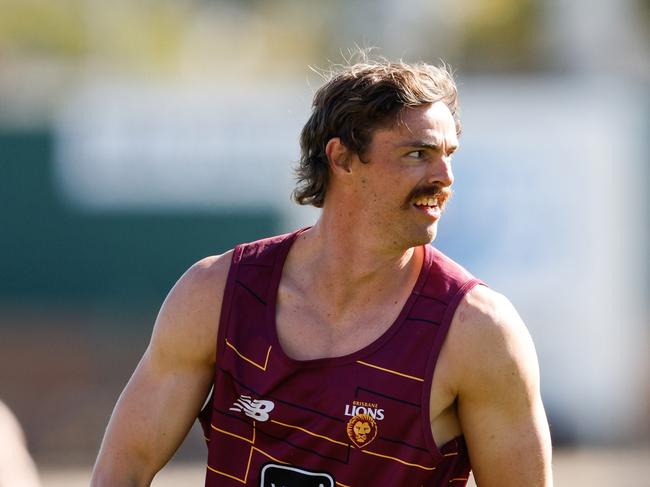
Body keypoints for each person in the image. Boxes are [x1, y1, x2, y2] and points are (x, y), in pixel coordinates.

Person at [91, 57, 552, 486]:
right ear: (342, 157)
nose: (445, 175)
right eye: (418, 154)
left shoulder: (479, 330)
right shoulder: (217, 293)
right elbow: (123, 466)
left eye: (450, 153)